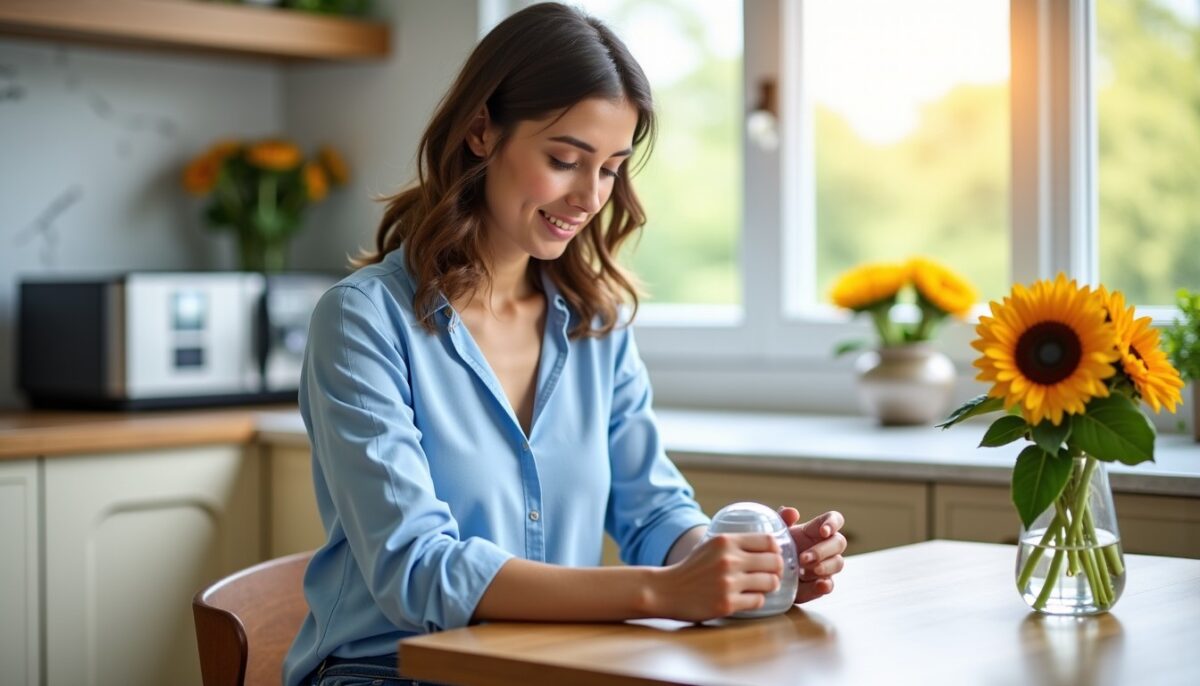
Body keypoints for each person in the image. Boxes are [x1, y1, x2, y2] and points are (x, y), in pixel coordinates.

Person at [284, 4, 847, 685]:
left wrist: (746, 569)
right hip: (385, 673)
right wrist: (664, 593)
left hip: (552, 666)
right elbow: (417, 571)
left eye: (610, 168)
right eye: (564, 159)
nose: (589, 197)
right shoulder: (362, 321)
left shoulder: (595, 324)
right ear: (481, 130)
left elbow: (654, 510)